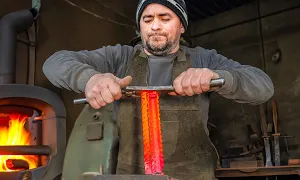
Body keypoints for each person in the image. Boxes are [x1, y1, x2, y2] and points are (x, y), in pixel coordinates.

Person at [43, 0, 274, 179]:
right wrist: (89, 79)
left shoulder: (204, 58)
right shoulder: (120, 58)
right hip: (129, 178)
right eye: (147, 19)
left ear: (181, 25)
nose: (155, 26)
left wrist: (218, 77)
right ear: (140, 25)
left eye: (165, 18)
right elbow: (54, 63)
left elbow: (263, 87)